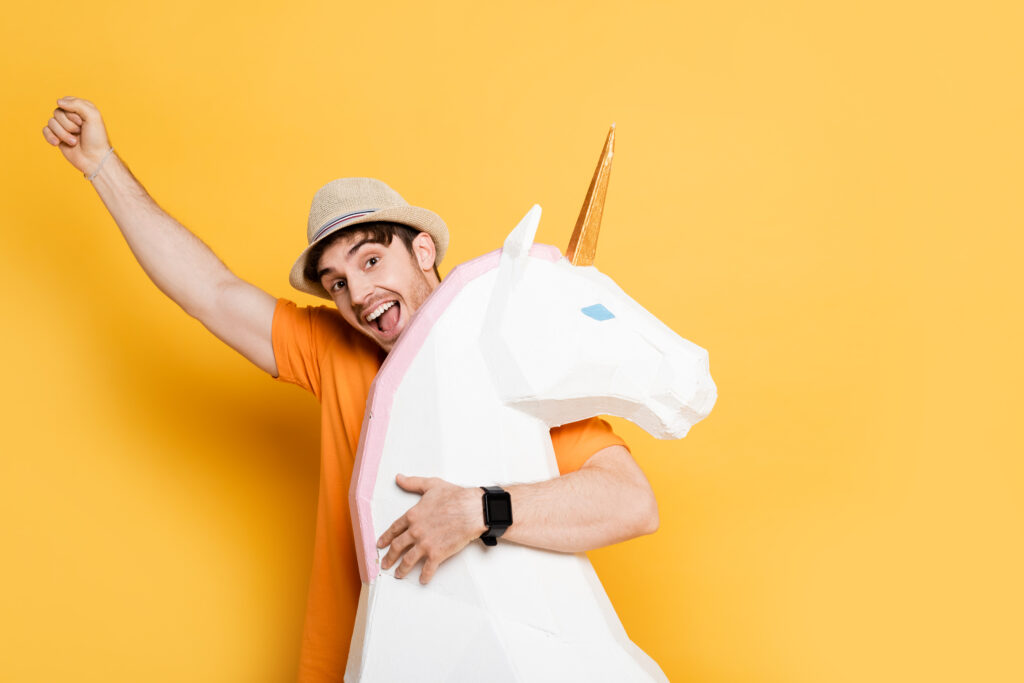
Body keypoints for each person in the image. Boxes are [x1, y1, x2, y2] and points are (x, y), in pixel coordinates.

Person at [43, 96, 660, 682]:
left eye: (370, 261)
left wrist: (480, 509)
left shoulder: (506, 356)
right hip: (354, 664)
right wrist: (101, 167)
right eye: (336, 282)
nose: (358, 295)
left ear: (423, 250)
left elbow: (630, 502)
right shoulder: (333, 349)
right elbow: (210, 291)